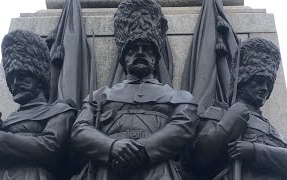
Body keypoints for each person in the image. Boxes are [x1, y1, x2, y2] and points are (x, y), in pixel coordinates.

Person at [70, 0, 198, 179]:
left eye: (146, 49)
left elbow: (183, 127)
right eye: (132, 49)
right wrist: (112, 147)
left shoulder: (178, 97)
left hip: (157, 172)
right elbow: (80, 130)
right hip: (108, 171)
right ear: (123, 57)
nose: (139, 52)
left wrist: (143, 150)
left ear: (155, 56)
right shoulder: (100, 96)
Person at [182, 38, 287, 179]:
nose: (264, 88)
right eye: (259, 81)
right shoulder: (218, 113)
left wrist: (254, 151)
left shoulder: (271, 129)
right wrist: (228, 124)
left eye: (269, 84)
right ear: (243, 80)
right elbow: (196, 159)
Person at [0, 29, 77, 180]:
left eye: (22, 76)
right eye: (11, 78)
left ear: (38, 77)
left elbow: (50, 146)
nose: (15, 83)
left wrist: (0, 141)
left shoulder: (60, 110)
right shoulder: (0, 125)